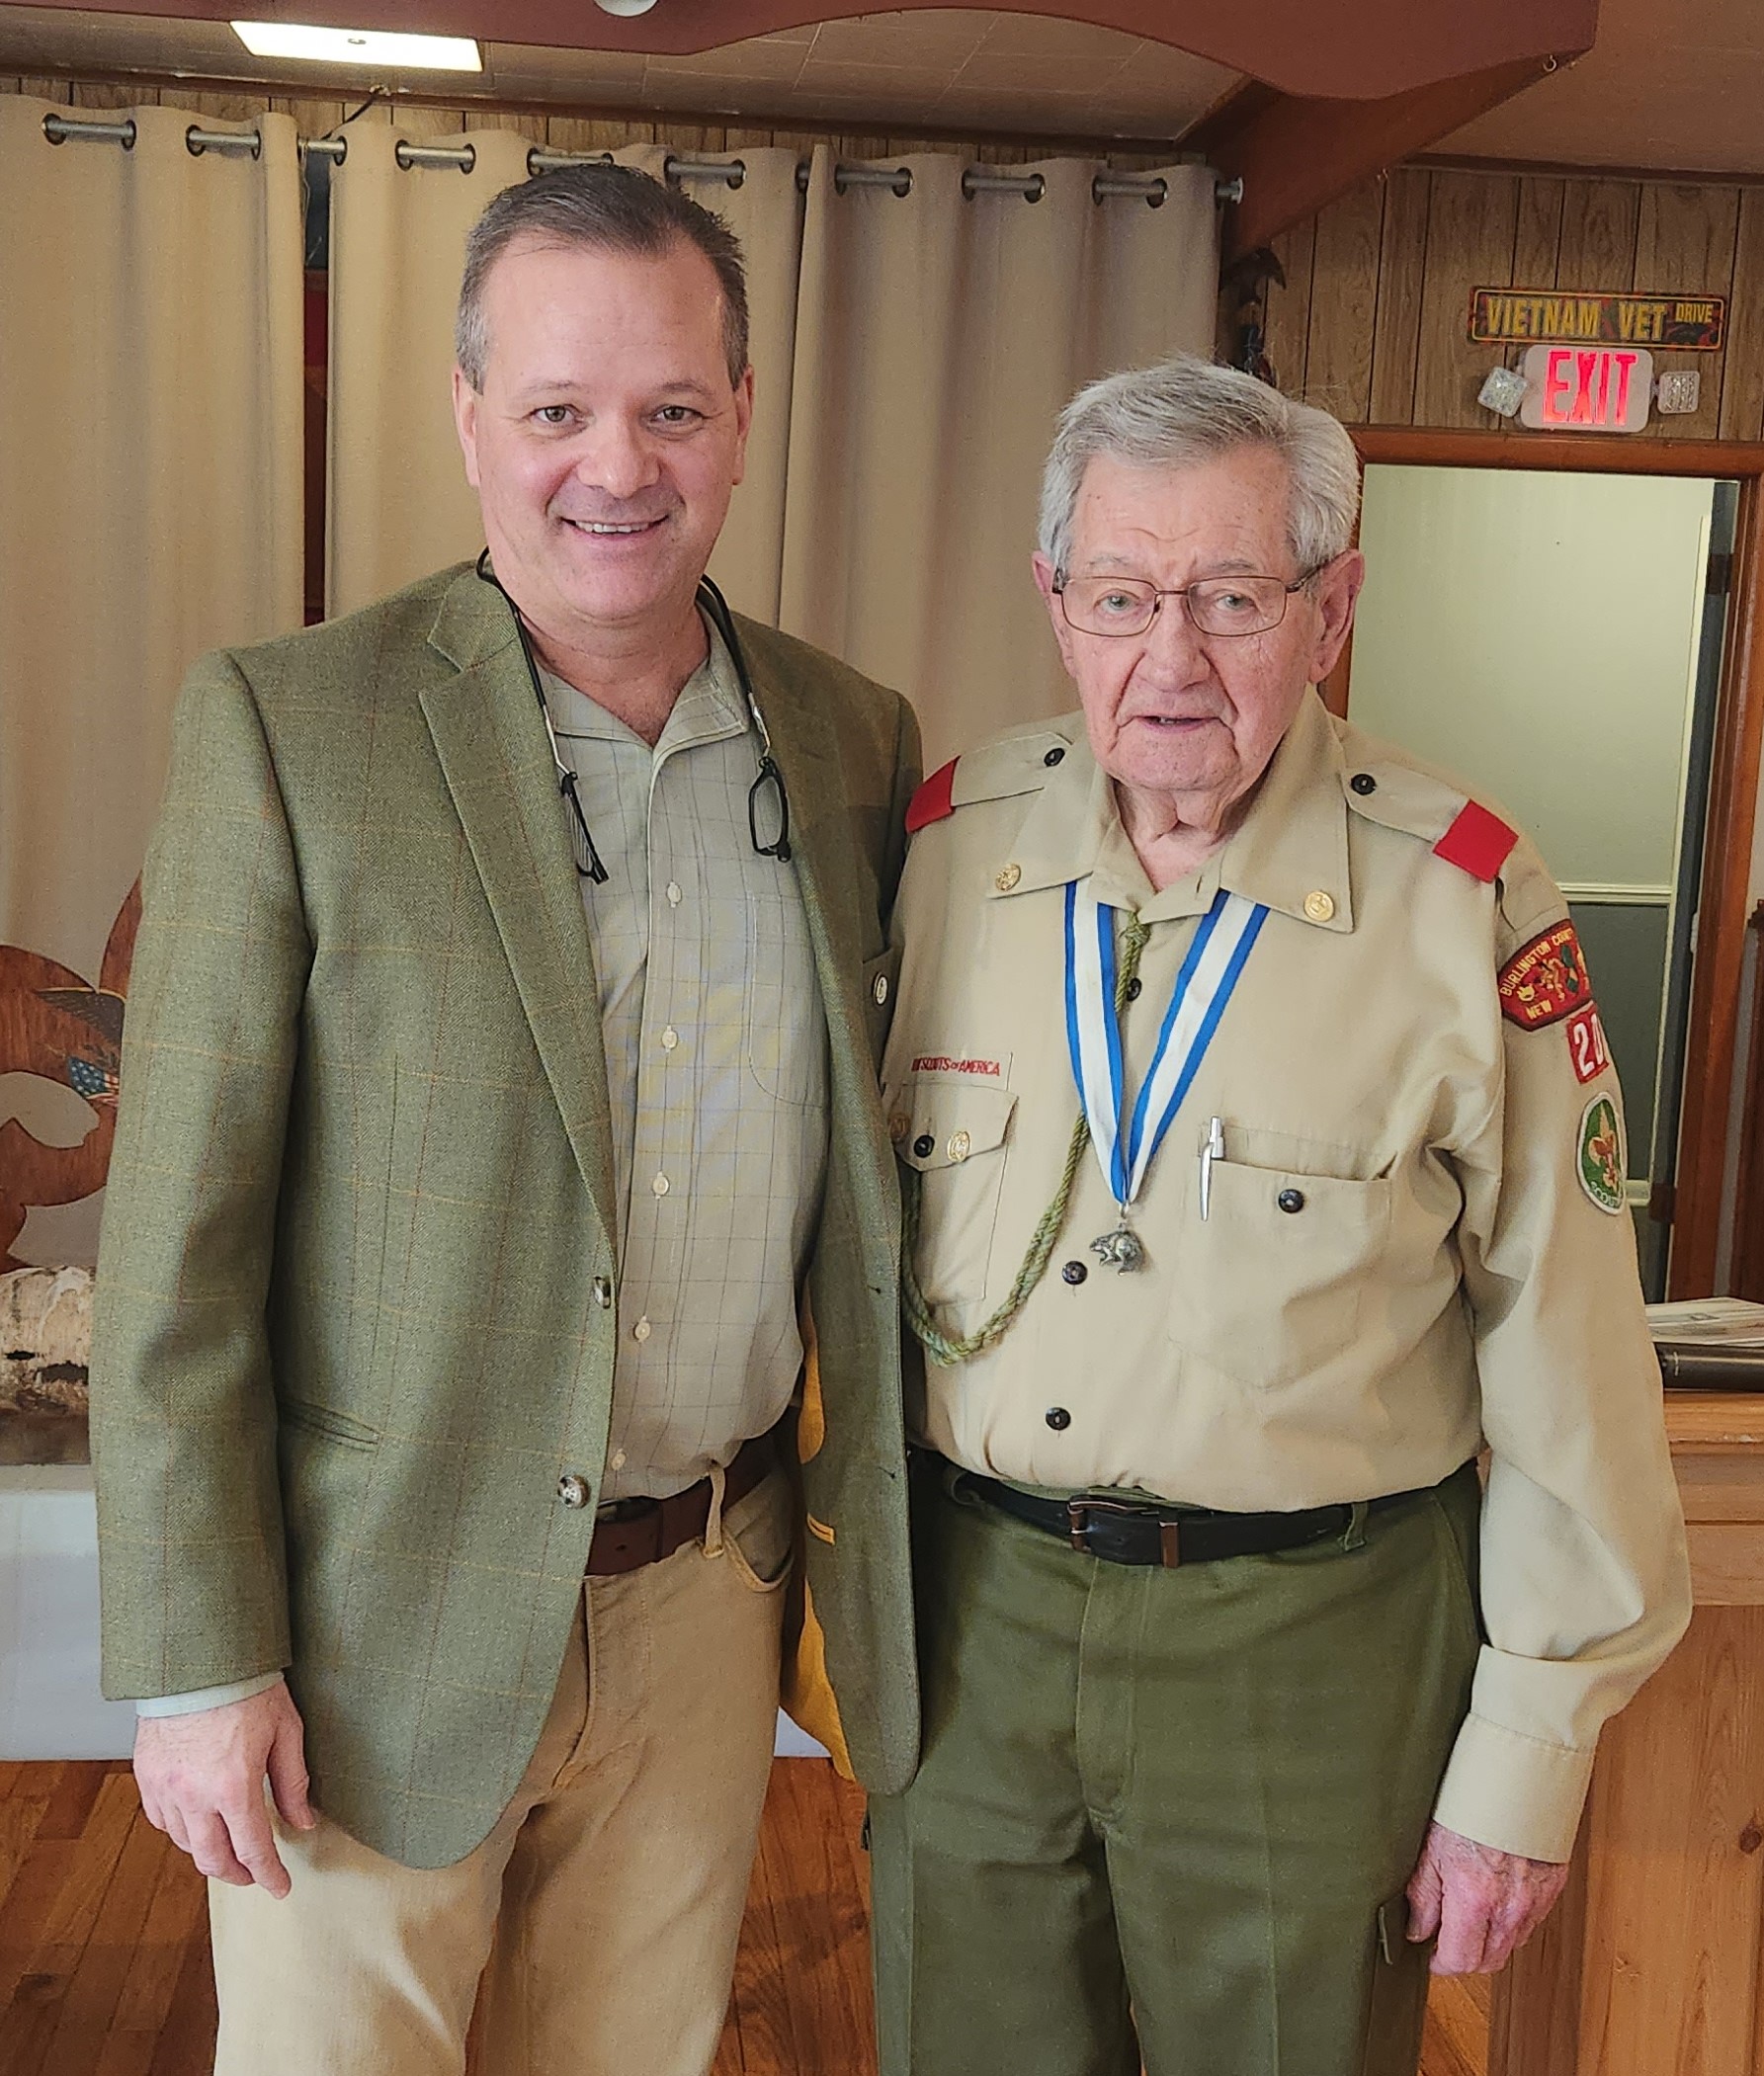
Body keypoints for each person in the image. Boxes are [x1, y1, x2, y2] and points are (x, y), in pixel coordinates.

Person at [90, 163, 920, 2076]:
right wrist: (203, 1662)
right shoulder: (294, 724)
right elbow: (176, 1253)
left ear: (738, 423)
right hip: (377, 1611)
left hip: (707, 1593)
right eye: (555, 409)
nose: (612, 465)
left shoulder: (852, 737)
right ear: (471, 426)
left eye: (670, 409)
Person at [868, 355, 1691, 2076]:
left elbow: (1572, 1365)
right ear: (1054, 602)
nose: (1169, 657)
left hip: (1307, 1643)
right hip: (973, 1624)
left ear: (1331, 609)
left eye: (1232, 596)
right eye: (1120, 594)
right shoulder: (949, 845)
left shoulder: (1463, 898)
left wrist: (1522, 1766)